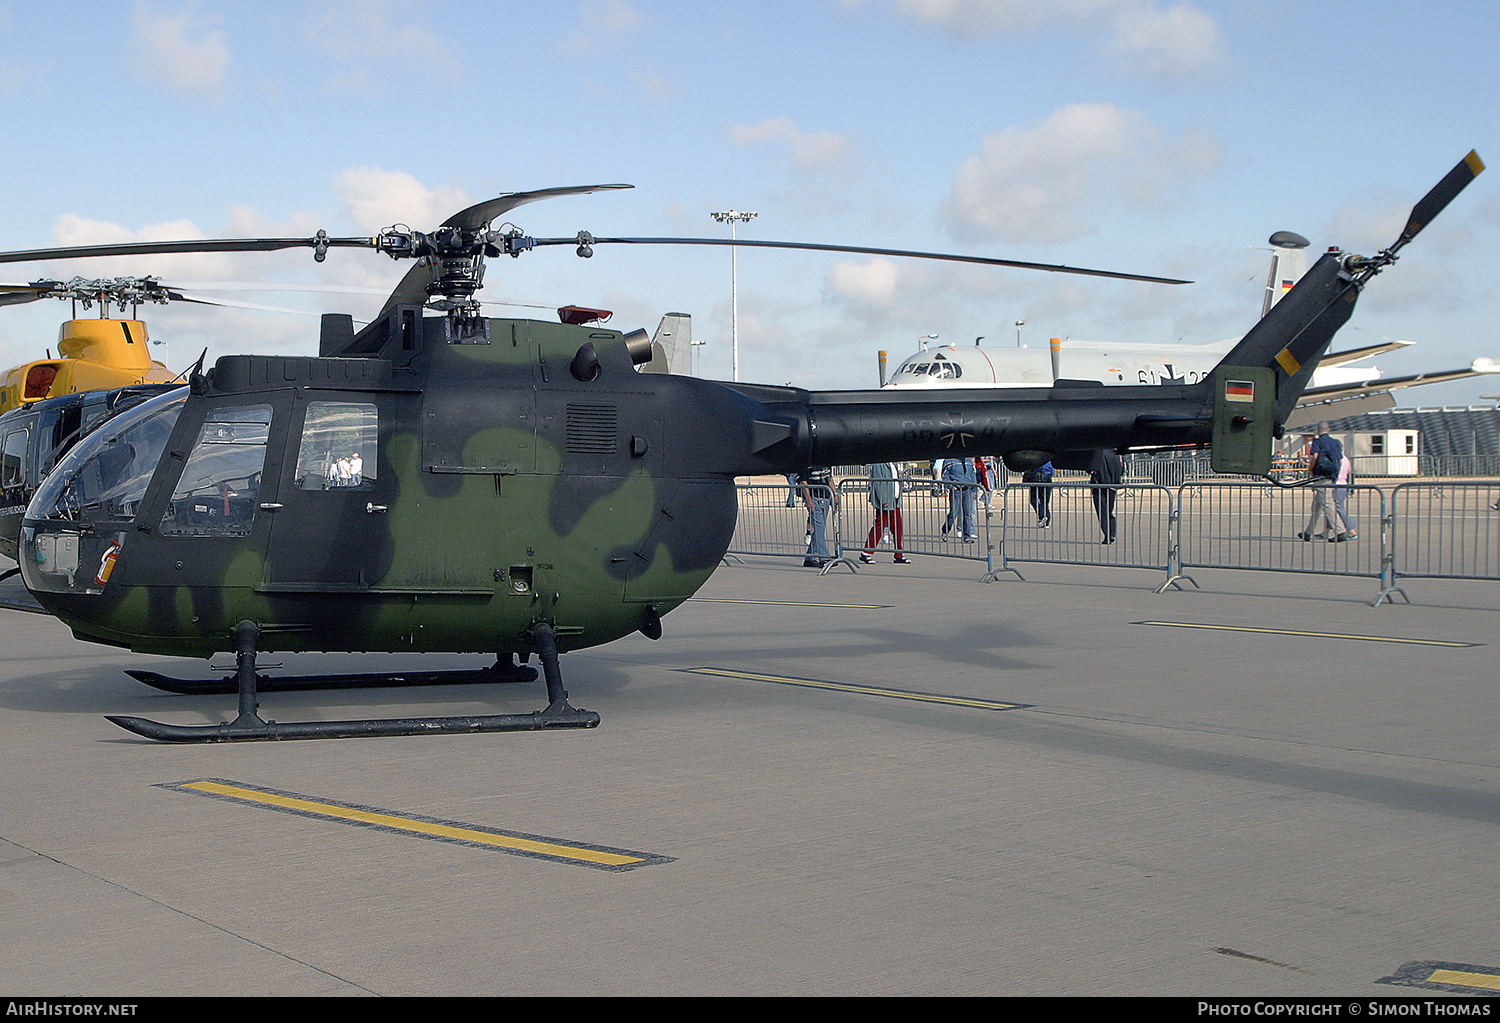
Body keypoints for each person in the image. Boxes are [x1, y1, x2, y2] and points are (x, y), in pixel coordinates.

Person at [1300, 422, 1347, 542]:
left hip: (1320, 475)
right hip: (1331, 475)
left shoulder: (1317, 442)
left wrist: (1311, 469)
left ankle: (1340, 531)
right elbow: (1340, 461)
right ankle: (1309, 532)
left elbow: (1315, 457)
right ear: (1329, 429)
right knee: (1317, 505)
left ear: (1317, 430)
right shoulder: (1336, 443)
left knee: (1327, 502)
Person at [859, 462, 910, 564]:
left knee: (897, 527)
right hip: (886, 500)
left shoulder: (893, 463)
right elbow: (878, 482)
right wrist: (884, 500)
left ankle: (899, 553)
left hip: (894, 499)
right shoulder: (878, 464)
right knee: (880, 525)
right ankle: (867, 551)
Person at [800, 465, 834, 567]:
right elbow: (803, 482)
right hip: (815, 499)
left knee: (820, 529)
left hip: (826, 497)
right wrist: (808, 499)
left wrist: (835, 494)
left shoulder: (826, 463)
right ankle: (824, 557)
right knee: (818, 528)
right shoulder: (807, 464)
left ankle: (810, 557)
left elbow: (830, 478)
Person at [941, 456, 978, 543]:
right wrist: (951, 486)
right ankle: (945, 530)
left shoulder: (969, 460)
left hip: (968, 489)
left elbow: (973, 475)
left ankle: (967, 536)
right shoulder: (949, 460)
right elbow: (945, 475)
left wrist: (975, 489)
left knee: (968, 513)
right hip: (956, 490)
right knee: (954, 512)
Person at [1089, 449, 1122, 544]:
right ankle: (1112, 532)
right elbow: (1122, 468)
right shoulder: (1117, 453)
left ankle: (1108, 534)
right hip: (1113, 485)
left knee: (1102, 511)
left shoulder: (1098, 453)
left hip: (1100, 485)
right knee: (1109, 510)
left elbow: (1091, 468)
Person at [1331, 451, 1358, 540]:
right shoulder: (1345, 458)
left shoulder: (1335, 457)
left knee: (1337, 507)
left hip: (1337, 484)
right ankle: (1326, 531)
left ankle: (1351, 529)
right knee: (1330, 508)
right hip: (1344, 483)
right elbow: (1349, 471)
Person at [1023, 460, 1054, 526]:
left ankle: (1042, 516)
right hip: (1047, 476)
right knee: (1044, 501)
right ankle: (1046, 520)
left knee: (1034, 499)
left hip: (1038, 476)